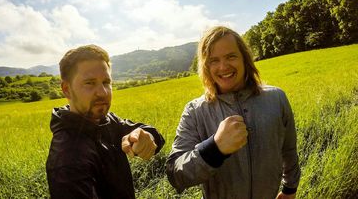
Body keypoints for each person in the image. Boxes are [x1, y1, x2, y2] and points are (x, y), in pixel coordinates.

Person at [166, 26, 300, 199]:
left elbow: (288, 149)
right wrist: (215, 148)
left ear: (245, 58)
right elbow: (176, 174)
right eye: (214, 60)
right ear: (205, 66)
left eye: (231, 56)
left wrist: (290, 188)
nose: (223, 67)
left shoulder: (277, 98)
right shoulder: (195, 112)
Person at [46, 44, 165, 199]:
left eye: (106, 82)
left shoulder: (106, 122)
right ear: (67, 89)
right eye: (90, 83)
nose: (102, 92)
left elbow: (151, 135)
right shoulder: (67, 157)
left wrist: (147, 136)